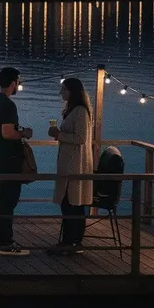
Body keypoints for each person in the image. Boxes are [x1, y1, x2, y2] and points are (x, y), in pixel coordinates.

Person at [0, 67, 32, 256]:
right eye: (18, 82)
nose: (18, 86)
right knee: (8, 200)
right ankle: (5, 242)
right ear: (13, 83)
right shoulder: (7, 104)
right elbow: (7, 132)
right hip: (8, 157)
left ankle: (0, 239)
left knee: (2, 199)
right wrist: (24, 133)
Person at [47, 77, 94, 254]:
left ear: (72, 91)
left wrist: (59, 135)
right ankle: (69, 240)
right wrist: (59, 134)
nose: (61, 93)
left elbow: (80, 139)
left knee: (73, 203)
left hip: (76, 165)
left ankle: (73, 241)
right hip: (69, 163)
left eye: (64, 90)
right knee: (68, 203)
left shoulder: (80, 111)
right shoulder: (72, 110)